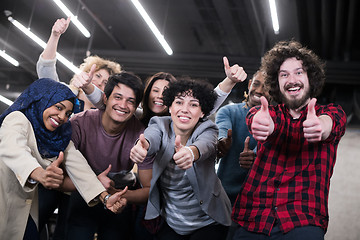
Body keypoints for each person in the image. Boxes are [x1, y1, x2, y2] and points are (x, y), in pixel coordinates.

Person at [232, 40, 347, 240]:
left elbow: (331, 122)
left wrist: (321, 126)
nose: (291, 79)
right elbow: (258, 118)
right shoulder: (269, 113)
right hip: (252, 219)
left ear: (311, 78)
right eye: (284, 74)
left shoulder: (331, 112)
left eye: (298, 72)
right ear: (277, 83)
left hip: (303, 221)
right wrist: (261, 122)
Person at [0, 78, 127, 240]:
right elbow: (14, 149)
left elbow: (79, 167)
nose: (62, 117)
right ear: (43, 100)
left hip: (25, 211)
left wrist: (105, 197)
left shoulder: (60, 135)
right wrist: (39, 173)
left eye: (68, 113)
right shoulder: (18, 119)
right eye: (58, 108)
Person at [130, 77, 231, 240]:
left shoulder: (208, 128)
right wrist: (143, 146)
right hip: (172, 223)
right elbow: (151, 137)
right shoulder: (159, 124)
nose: (185, 109)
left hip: (209, 221)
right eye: (179, 102)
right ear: (169, 107)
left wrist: (191, 153)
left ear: (203, 112)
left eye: (193, 104)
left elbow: (206, 144)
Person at [65, 72, 153, 240]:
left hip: (119, 193)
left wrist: (116, 194)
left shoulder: (142, 136)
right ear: (105, 98)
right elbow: (58, 179)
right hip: (83, 192)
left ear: (136, 107)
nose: (123, 105)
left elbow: (148, 190)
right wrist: (96, 185)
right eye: (118, 97)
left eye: (130, 101)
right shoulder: (78, 123)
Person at [81, 56, 247, 124]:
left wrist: (230, 80)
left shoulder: (181, 121)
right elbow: (105, 103)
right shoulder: (136, 115)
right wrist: (88, 85)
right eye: (155, 90)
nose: (160, 96)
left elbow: (207, 104)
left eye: (166, 91)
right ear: (146, 93)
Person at [215, 70, 270, 240]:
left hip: (258, 205)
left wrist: (256, 155)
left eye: (267, 87)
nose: (259, 90)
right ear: (249, 84)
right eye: (257, 84)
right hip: (224, 200)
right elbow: (222, 131)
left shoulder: (278, 120)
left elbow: (270, 143)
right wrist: (222, 142)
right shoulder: (229, 112)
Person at [36, 17, 122, 112]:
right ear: (86, 73)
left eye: (105, 83)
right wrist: (55, 36)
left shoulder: (106, 113)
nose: (99, 82)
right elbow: (46, 72)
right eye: (97, 76)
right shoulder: (66, 94)